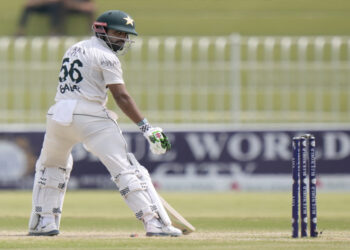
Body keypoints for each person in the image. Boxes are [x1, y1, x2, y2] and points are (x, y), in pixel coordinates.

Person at [28, 10, 182, 237]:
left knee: (52, 167)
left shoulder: (74, 48)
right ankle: (154, 223)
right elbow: (122, 97)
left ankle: (45, 222)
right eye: (118, 33)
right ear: (101, 30)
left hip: (59, 115)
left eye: (126, 34)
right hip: (90, 116)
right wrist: (147, 128)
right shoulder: (107, 56)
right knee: (126, 169)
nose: (122, 39)